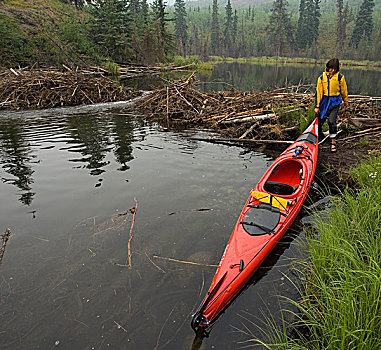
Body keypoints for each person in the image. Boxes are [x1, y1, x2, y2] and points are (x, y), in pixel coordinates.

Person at [314, 58, 348, 153]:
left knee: (331, 122)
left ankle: (333, 142)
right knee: (318, 121)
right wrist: (317, 106)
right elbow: (318, 92)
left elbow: (344, 91)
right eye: (330, 68)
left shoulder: (340, 77)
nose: (332, 70)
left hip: (335, 102)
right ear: (327, 67)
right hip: (324, 102)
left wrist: (345, 102)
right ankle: (318, 139)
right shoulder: (322, 78)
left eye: (334, 69)